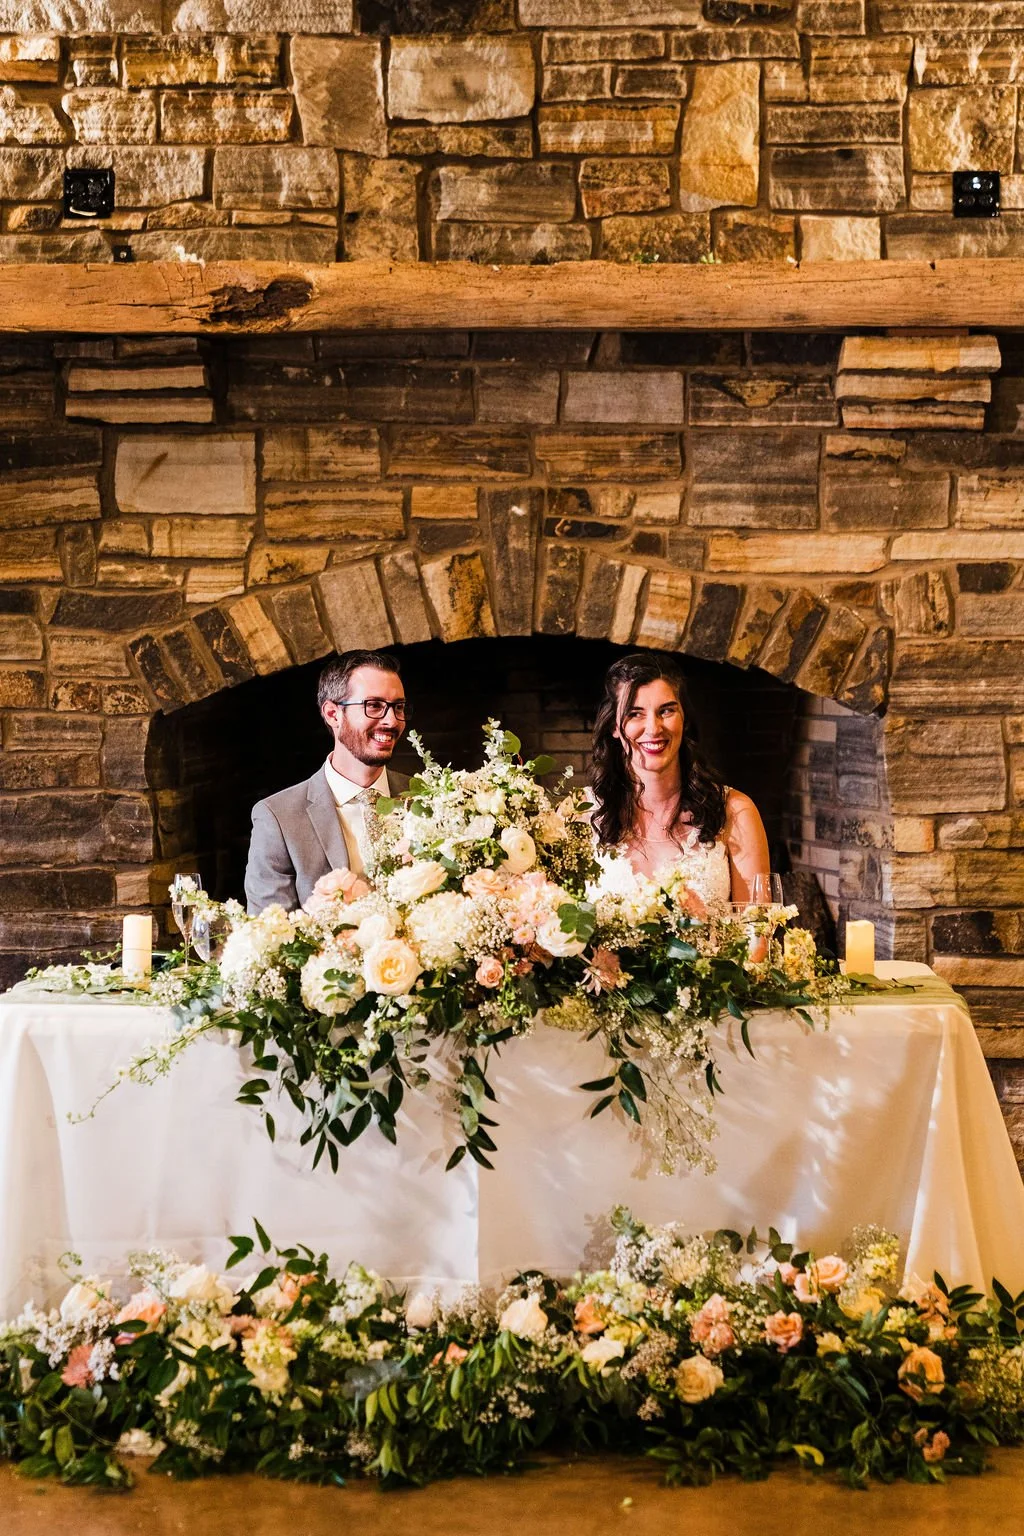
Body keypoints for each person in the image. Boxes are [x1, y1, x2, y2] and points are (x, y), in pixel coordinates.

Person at [589, 652, 770, 905]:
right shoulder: (579, 814)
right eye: (635, 714)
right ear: (615, 727)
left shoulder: (736, 811)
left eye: (666, 711)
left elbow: (758, 934)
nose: (653, 728)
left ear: (684, 720)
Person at [245, 649, 411, 915]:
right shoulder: (277, 818)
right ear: (333, 714)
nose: (391, 720)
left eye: (398, 707)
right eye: (375, 706)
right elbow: (272, 938)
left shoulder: (432, 800)